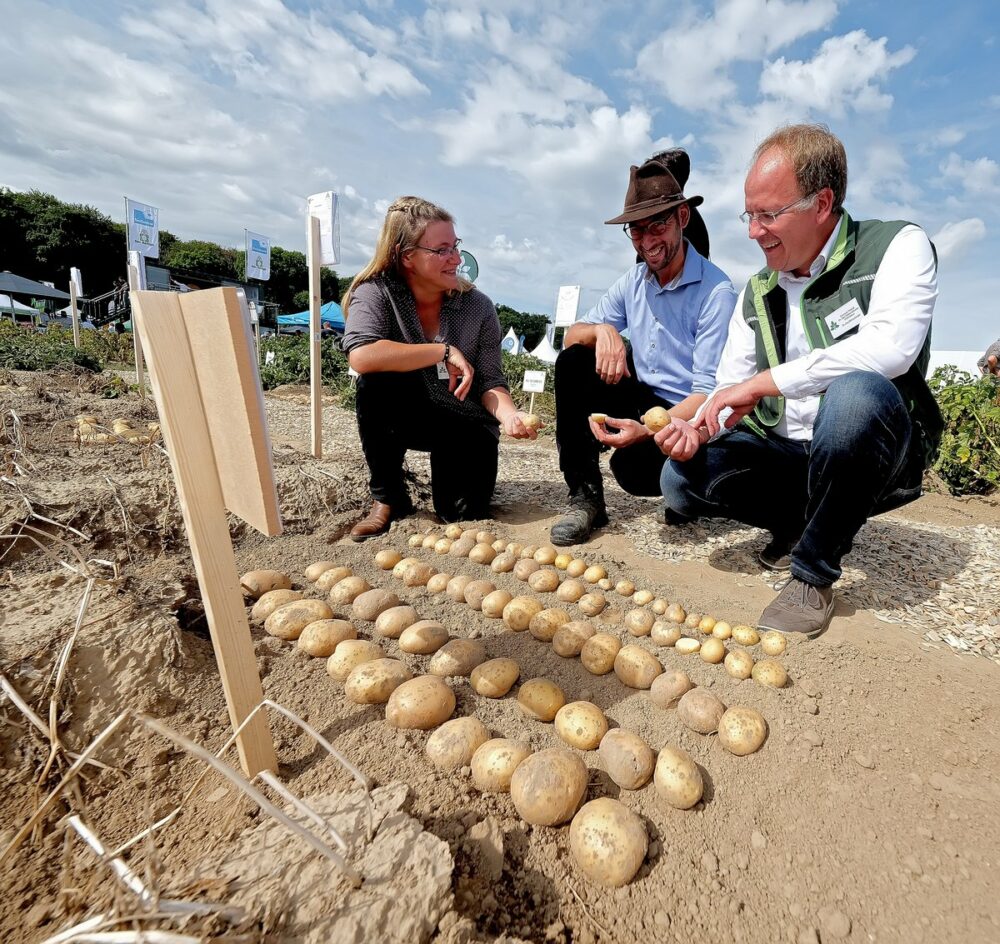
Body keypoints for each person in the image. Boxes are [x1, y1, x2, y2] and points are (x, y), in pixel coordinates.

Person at [659, 123, 943, 638]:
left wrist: (766, 382)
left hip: (877, 453)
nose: (753, 231)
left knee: (857, 394)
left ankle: (813, 572)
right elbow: (730, 388)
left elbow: (892, 347)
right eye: (750, 214)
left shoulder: (898, 246)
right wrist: (700, 429)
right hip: (792, 455)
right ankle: (798, 521)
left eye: (769, 214)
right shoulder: (759, 290)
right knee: (678, 480)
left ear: (822, 202)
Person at [549, 152, 737, 546]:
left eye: (658, 226)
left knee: (633, 471)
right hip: (641, 398)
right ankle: (584, 498)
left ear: (683, 219)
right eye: (637, 231)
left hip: (685, 418)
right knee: (574, 361)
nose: (648, 241)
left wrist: (649, 430)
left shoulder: (716, 292)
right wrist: (603, 331)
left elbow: (707, 393)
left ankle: (690, 494)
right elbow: (570, 336)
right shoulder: (633, 281)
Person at [342, 196, 537, 540]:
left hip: (464, 421)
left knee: (462, 514)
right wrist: (440, 351)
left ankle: (451, 487)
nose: (457, 259)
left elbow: (491, 380)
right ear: (408, 257)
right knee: (376, 382)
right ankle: (387, 498)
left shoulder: (478, 307)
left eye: (456, 246)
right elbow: (361, 355)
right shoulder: (376, 293)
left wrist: (508, 416)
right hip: (407, 410)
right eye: (443, 250)